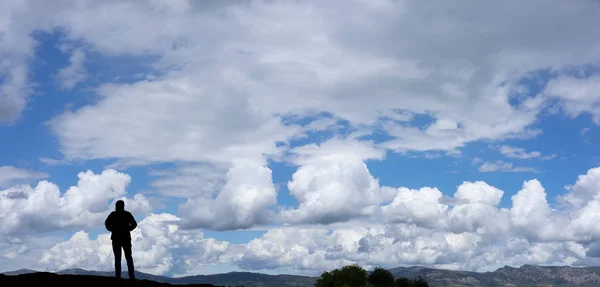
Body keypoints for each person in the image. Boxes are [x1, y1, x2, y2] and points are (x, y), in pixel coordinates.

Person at [105, 200, 138, 280]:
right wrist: (128, 229)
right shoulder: (127, 214)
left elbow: (107, 224)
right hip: (125, 238)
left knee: (118, 258)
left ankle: (118, 276)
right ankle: (131, 276)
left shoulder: (114, 214)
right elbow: (134, 224)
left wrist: (111, 229)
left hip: (117, 238)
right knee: (128, 257)